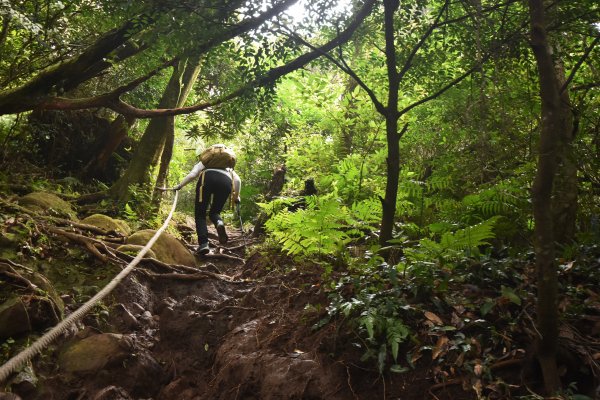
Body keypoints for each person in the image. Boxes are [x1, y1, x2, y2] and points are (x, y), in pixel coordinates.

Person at [160, 145, 241, 255]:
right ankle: (219, 223)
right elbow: (237, 181)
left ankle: (204, 244)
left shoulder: (206, 161)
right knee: (215, 212)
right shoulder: (228, 167)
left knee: (200, 214)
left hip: (207, 178)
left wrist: (179, 186)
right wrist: (236, 197)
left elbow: (193, 174)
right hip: (225, 181)